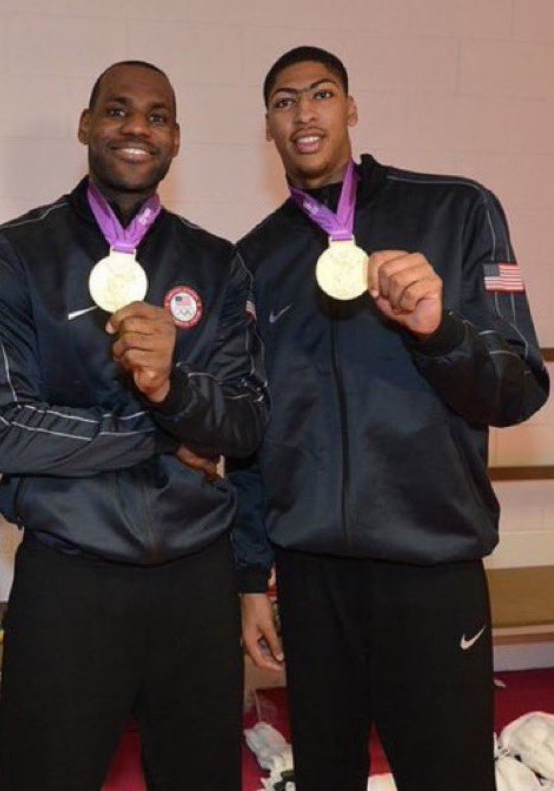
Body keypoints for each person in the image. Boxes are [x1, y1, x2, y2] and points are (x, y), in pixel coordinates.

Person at [233, 46, 550, 791]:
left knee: (447, 775)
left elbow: (517, 389)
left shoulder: (456, 208)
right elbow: (251, 435)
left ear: (349, 107)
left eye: (320, 94)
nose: (303, 112)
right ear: (269, 125)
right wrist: (250, 574)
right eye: (284, 100)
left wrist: (438, 330)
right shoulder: (254, 257)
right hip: (312, 578)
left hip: (430, 567)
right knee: (326, 775)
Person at [0, 60, 269, 790]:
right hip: (71, 578)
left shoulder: (214, 261)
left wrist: (173, 385)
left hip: (195, 580)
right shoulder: (15, 253)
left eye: (156, 115)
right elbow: (5, 429)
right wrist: (166, 427)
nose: (137, 126)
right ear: (85, 125)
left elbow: (245, 422)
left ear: (175, 138)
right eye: (117, 110)